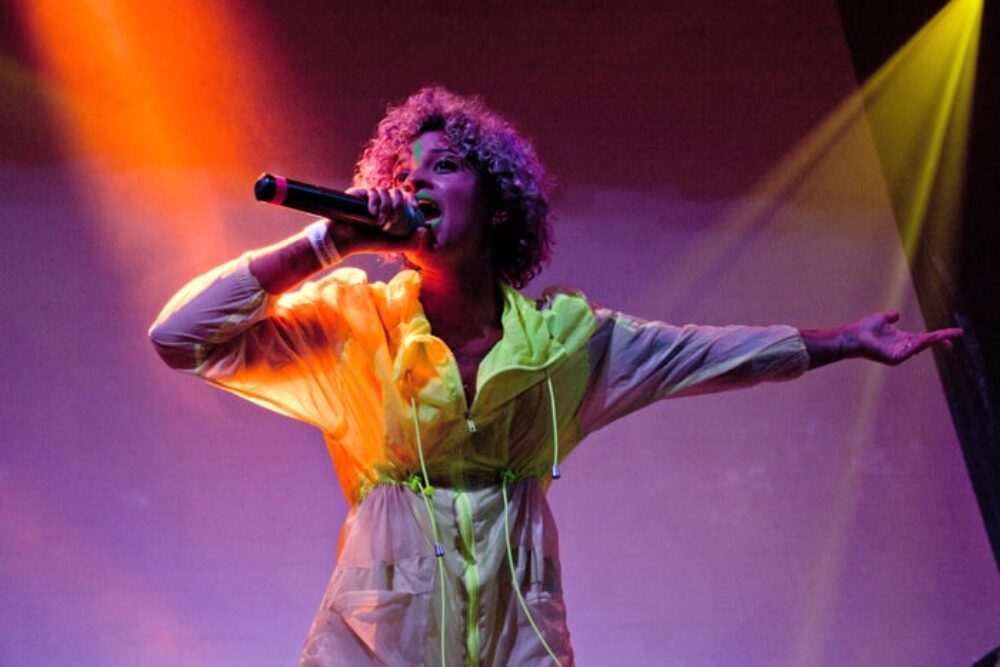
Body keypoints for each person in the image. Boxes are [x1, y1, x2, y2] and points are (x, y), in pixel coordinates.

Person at [149, 86, 962, 666]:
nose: (417, 182)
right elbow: (179, 336)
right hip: (370, 645)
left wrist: (843, 340)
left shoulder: (566, 343)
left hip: (523, 646)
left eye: (445, 165)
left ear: (498, 201)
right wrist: (329, 243)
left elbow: (702, 353)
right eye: (406, 171)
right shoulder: (352, 325)